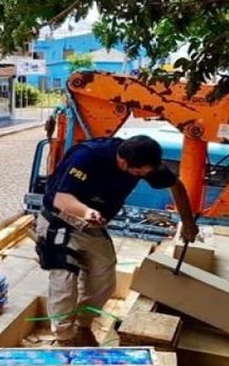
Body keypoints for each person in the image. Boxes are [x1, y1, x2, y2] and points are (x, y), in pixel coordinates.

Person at [36, 135, 199, 346]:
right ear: (123, 162)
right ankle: (64, 337)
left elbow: (176, 186)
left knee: (104, 279)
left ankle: (83, 325)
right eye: (139, 173)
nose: (143, 176)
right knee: (65, 280)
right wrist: (87, 211)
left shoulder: (144, 160)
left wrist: (187, 223)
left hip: (93, 225)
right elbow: (62, 199)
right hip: (60, 219)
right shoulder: (88, 157)